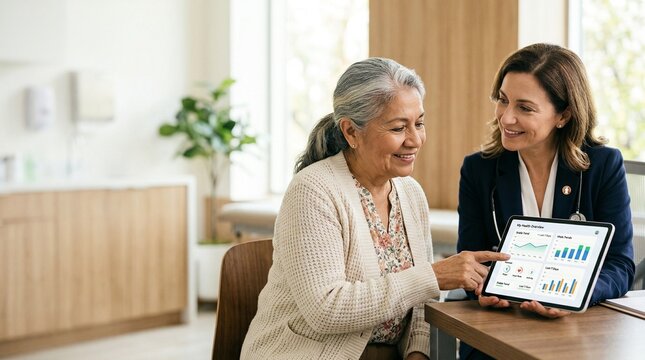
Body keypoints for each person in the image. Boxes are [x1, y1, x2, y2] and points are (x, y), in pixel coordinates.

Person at [241, 57, 509, 360]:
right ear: (351, 133)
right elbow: (326, 310)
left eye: (419, 123)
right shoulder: (313, 190)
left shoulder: (411, 193)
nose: (415, 140)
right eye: (398, 128)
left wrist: (418, 353)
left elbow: (422, 304)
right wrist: (432, 275)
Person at [457, 43, 635, 359]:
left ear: (563, 115)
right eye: (502, 100)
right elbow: (471, 256)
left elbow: (620, 265)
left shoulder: (603, 167)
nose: (506, 118)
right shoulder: (479, 169)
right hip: (499, 331)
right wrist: (481, 286)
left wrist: (574, 294)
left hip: (576, 333)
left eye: (525, 108)